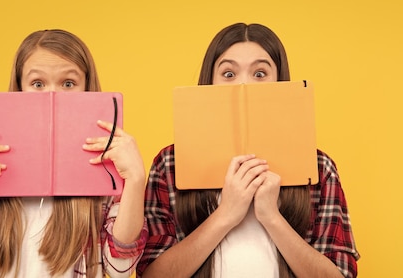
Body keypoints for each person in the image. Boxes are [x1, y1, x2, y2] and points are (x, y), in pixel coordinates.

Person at [137, 23, 360, 278]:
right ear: (209, 83)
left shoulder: (318, 166)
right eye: (229, 74)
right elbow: (150, 275)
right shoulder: (170, 164)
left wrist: (272, 217)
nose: (244, 84)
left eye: (260, 73)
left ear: (280, 83)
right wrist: (226, 214)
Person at [0, 29, 148, 278]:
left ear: (87, 89)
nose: (53, 95)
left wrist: (135, 181)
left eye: (68, 83)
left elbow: (121, 269)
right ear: (19, 89)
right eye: (37, 84)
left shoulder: (105, 177)